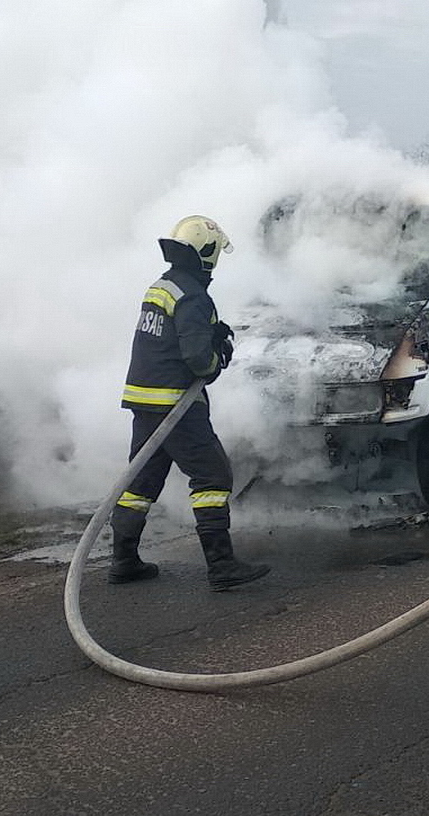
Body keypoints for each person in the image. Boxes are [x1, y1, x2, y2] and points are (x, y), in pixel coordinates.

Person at [107, 215, 270, 591]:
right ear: (206, 253)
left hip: (144, 399)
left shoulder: (162, 286)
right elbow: (199, 362)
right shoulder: (194, 295)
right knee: (213, 477)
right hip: (175, 403)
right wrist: (220, 353)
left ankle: (124, 560)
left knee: (141, 482)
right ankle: (222, 565)